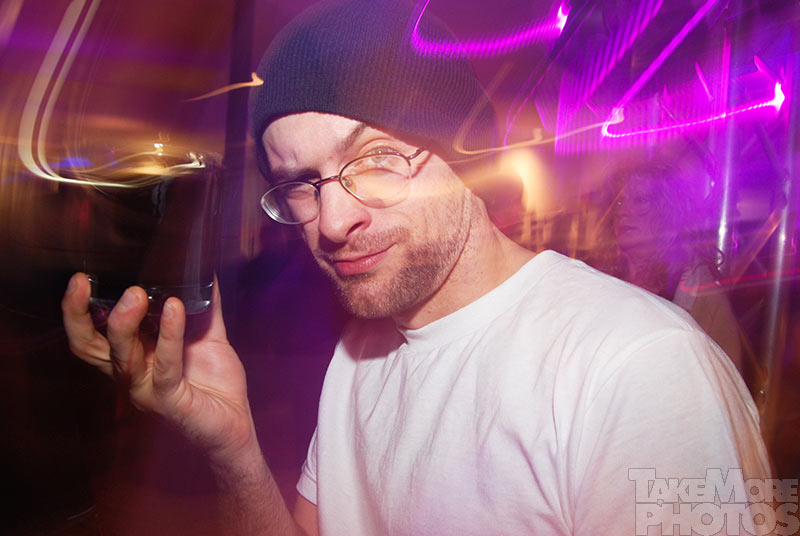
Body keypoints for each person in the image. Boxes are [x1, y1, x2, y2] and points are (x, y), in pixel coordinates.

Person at [62, 0, 771, 534]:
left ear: (463, 154)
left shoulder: (639, 368)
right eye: (301, 183)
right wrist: (234, 447)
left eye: (375, 159)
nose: (332, 222)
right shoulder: (360, 351)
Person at [608, 159, 744, 375]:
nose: (623, 211)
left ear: (669, 212)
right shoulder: (605, 276)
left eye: (640, 200)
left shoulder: (699, 294)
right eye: (620, 203)